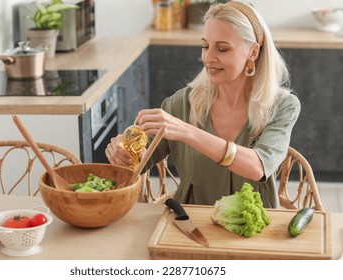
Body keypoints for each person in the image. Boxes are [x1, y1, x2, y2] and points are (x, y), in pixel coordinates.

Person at [105, 0, 300, 208]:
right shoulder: (181, 103)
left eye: (222, 49)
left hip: (255, 228)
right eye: (205, 46)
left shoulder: (283, 106)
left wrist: (187, 132)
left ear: (253, 52)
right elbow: (140, 161)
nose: (208, 58)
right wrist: (125, 155)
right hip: (190, 223)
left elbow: (258, 167)